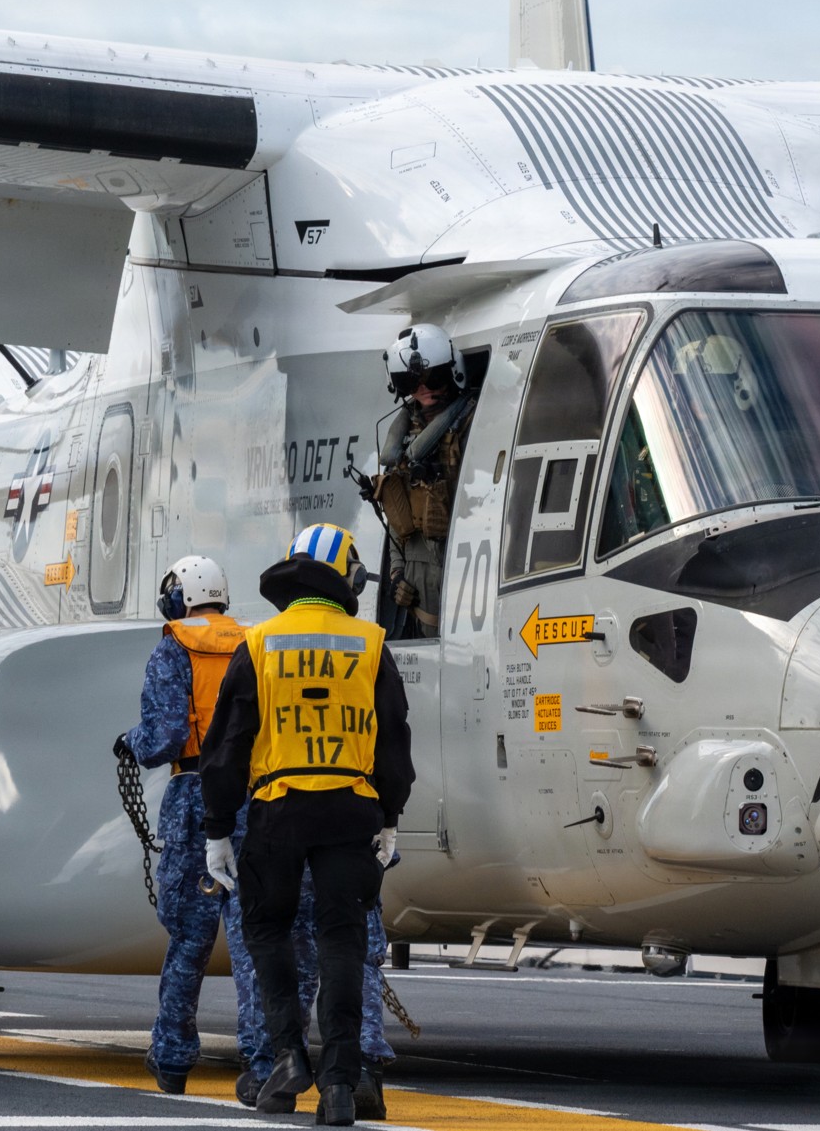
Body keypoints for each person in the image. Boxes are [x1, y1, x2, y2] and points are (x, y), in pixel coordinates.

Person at [199, 523, 414, 1126]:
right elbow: (395, 740)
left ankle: (289, 1056)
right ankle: (342, 1086)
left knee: (266, 931)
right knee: (342, 940)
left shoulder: (261, 642)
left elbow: (229, 742)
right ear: (346, 578)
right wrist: (390, 816)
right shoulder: (371, 643)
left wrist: (218, 828)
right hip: (351, 808)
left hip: (278, 808)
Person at [111, 556, 262, 1096]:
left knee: (189, 938)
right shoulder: (256, 642)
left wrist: (130, 741)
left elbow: (165, 736)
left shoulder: (173, 646)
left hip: (194, 796)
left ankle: (173, 1056)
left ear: (179, 596)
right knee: (251, 938)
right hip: (253, 796)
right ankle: (263, 1061)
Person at [368, 324, 475, 639]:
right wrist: (397, 571)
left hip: (458, 559)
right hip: (417, 571)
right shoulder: (401, 438)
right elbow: (396, 517)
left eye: (434, 379)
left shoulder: (469, 423)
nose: (426, 389)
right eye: (415, 382)